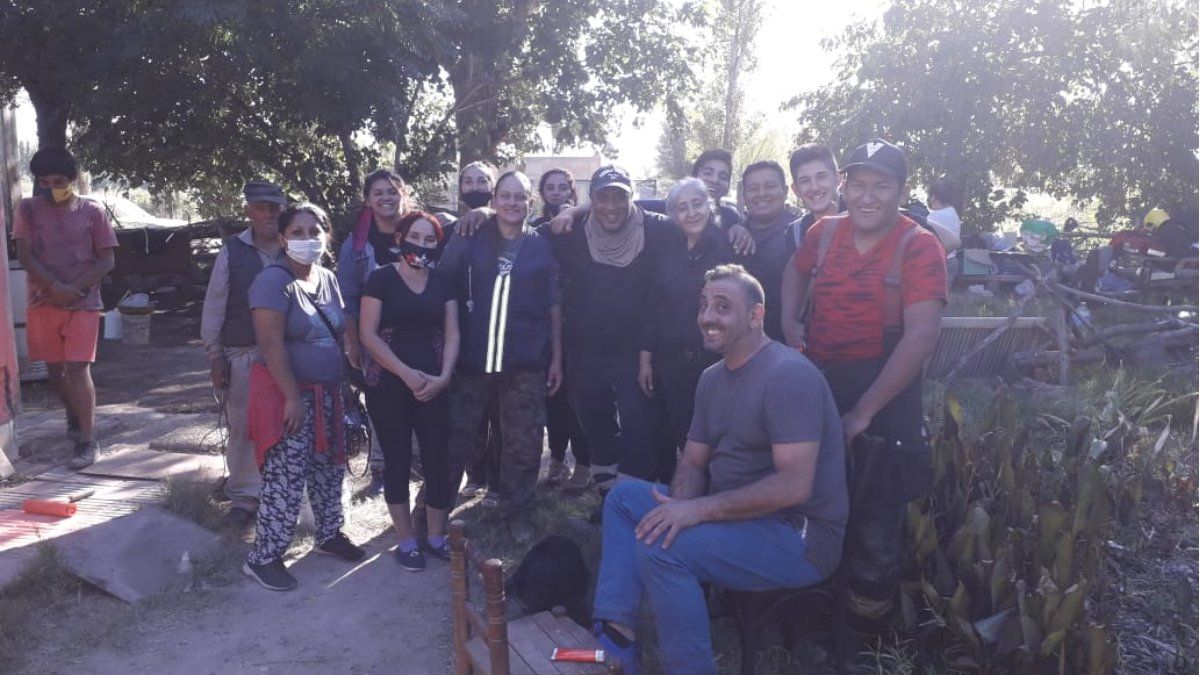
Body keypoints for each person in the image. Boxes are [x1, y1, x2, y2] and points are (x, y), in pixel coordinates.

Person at [591, 264, 847, 675]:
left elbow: (794, 486)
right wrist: (677, 508)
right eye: (704, 305)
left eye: (723, 307)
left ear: (756, 315)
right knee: (622, 499)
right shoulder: (712, 378)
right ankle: (618, 636)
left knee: (660, 551)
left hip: (798, 536)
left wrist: (695, 513)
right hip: (737, 519)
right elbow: (693, 462)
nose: (708, 317)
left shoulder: (787, 376)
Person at [781, 139, 946, 660]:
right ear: (844, 185)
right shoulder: (823, 232)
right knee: (815, 504)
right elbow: (795, 271)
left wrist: (864, 413)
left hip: (885, 398)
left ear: (900, 191)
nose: (867, 197)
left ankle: (864, 642)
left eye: (882, 186)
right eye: (859, 184)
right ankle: (811, 615)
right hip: (823, 385)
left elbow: (921, 337)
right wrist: (788, 320)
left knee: (875, 521)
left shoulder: (919, 247)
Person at [244, 203, 365, 591]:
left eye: (315, 231)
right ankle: (264, 556)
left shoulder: (327, 278)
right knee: (287, 475)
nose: (307, 239)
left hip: (328, 391)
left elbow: (338, 335)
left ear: (326, 236)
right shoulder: (272, 282)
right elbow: (271, 343)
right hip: (286, 394)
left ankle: (329, 534)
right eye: (297, 232)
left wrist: (344, 387)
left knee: (329, 466)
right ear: (282, 238)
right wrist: (292, 398)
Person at [442, 171, 562, 539]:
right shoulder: (470, 235)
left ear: (531, 202)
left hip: (523, 365)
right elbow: (444, 284)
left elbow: (554, 304)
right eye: (505, 196)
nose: (512, 203)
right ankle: (432, 513)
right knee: (455, 441)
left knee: (523, 444)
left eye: (520, 197)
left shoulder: (541, 244)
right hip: (471, 363)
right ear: (494, 199)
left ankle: (518, 514)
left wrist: (556, 357)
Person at [540, 165, 672, 492]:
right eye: (602, 197)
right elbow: (519, 232)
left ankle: (634, 502)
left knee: (639, 427)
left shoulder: (656, 229)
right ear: (591, 200)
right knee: (595, 427)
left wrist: (735, 230)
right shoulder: (571, 234)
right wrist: (484, 212)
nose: (611, 206)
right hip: (586, 353)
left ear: (632, 198)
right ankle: (607, 501)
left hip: (636, 353)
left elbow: (693, 210)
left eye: (619, 196)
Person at [358, 211, 460, 572]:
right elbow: (367, 334)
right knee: (397, 462)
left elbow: (452, 334)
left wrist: (444, 376)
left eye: (431, 239)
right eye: (415, 236)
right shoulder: (381, 279)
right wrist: (405, 374)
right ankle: (404, 540)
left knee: (438, 461)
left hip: (434, 386)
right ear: (400, 238)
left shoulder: (444, 281)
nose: (422, 244)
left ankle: (435, 536)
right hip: (389, 386)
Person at [12, 147, 118, 470]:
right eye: (44, 182)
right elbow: (26, 256)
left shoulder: (93, 211)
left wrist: (74, 288)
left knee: (77, 368)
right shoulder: (27, 210)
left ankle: (88, 440)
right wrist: (54, 287)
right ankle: (74, 414)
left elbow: (107, 259)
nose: (51, 187)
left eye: (58, 181)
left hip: (83, 303)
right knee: (55, 373)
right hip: (43, 301)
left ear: (71, 180)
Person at [200, 180, 286, 526]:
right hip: (243, 354)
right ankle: (245, 496)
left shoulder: (293, 246)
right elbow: (214, 306)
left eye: (273, 208)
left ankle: (283, 492)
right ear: (248, 210)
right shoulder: (232, 251)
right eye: (260, 207)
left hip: (288, 355)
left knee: (288, 425)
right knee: (243, 428)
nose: (267, 214)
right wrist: (215, 356)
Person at [639, 178, 734, 480]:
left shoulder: (728, 244)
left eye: (697, 204)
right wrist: (645, 358)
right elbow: (652, 303)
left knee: (709, 437)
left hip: (713, 359)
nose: (691, 212)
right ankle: (667, 497)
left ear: (710, 205)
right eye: (682, 207)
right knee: (668, 430)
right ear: (673, 214)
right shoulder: (667, 247)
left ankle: (710, 504)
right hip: (669, 357)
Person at [336, 169, 416, 495]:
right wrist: (353, 341)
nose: (386, 197)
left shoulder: (420, 232)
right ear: (368, 199)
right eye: (378, 192)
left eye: (392, 191)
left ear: (403, 194)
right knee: (382, 402)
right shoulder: (356, 246)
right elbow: (349, 298)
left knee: (420, 396)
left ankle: (417, 463)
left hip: (420, 334)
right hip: (375, 338)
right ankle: (384, 469)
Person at [531, 169, 590, 490]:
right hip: (547, 322)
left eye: (561, 187)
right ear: (542, 193)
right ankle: (555, 458)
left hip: (583, 322)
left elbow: (608, 204)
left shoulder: (587, 225)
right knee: (553, 394)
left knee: (578, 394)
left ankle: (583, 460)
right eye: (549, 188)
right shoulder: (537, 231)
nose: (555, 193)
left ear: (572, 190)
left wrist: (574, 212)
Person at [453, 161, 505, 504]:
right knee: (470, 414)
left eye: (483, 181)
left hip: (503, 337)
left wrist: (488, 209)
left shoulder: (507, 225)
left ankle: (499, 483)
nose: (475, 186)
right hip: (462, 334)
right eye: (468, 181)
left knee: (501, 415)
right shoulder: (449, 228)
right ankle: (475, 474)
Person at [737, 160, 800, 341]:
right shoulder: (733, 234)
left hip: (785, 342)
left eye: (770, 186)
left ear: (785, 191)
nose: (761, 194)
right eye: (754, 188)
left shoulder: (801, 232)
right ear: (744, 195)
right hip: (738, 342)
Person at [789, 143, 844, 244]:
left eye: (821, 176)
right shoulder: (796, 233)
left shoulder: (863, 216)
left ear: (838, 178)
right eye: (805, 180)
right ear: (796, 190)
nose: (814, 187)